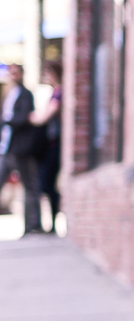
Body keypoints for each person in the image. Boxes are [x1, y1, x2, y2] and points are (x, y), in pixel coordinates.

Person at [0, 63, 43, 234]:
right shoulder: (9, 94)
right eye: (11, 73)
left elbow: (23, 118)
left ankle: (33, 225)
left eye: (15, 73)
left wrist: (7, 121)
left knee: (30, 187)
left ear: (22, 74)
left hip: (20, 149)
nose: (13, 76)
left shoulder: (25, 94)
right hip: (6, 148)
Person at [32, 61, 63, 232]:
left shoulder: (59, 93)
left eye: (48, 72)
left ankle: (53, 224)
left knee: (47, 183)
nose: (46, 76)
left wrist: (31, 118)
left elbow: (45, 116)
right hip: (50, 144)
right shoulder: (54, 92)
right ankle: (51, 224)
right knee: (46, 183)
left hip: (55, 144)